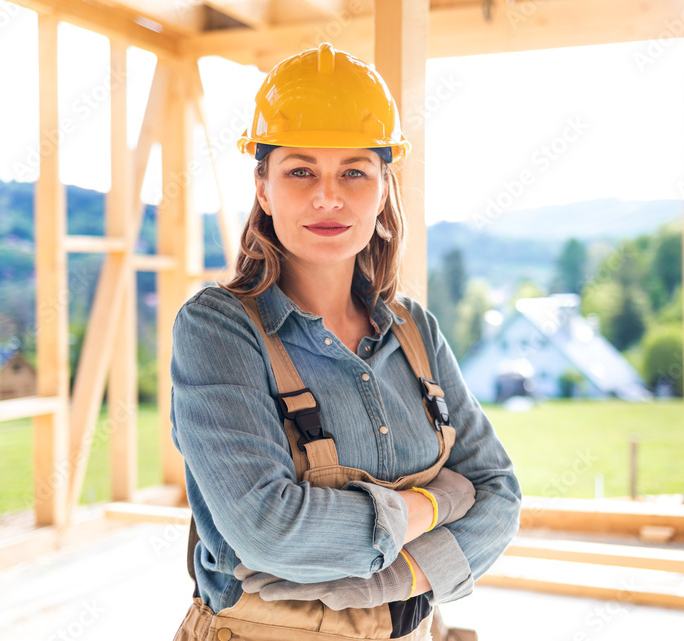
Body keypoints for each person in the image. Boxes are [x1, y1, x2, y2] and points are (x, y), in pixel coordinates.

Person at [169, 42, 522, 641]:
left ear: (383, 186)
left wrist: (381, 583)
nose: (327, 197)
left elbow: (497, 497)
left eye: (353, 171)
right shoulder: (218, 328)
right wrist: (433, 505)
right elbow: (268, 529)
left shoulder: (415, 331)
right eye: (300, 170)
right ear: (263, 187)